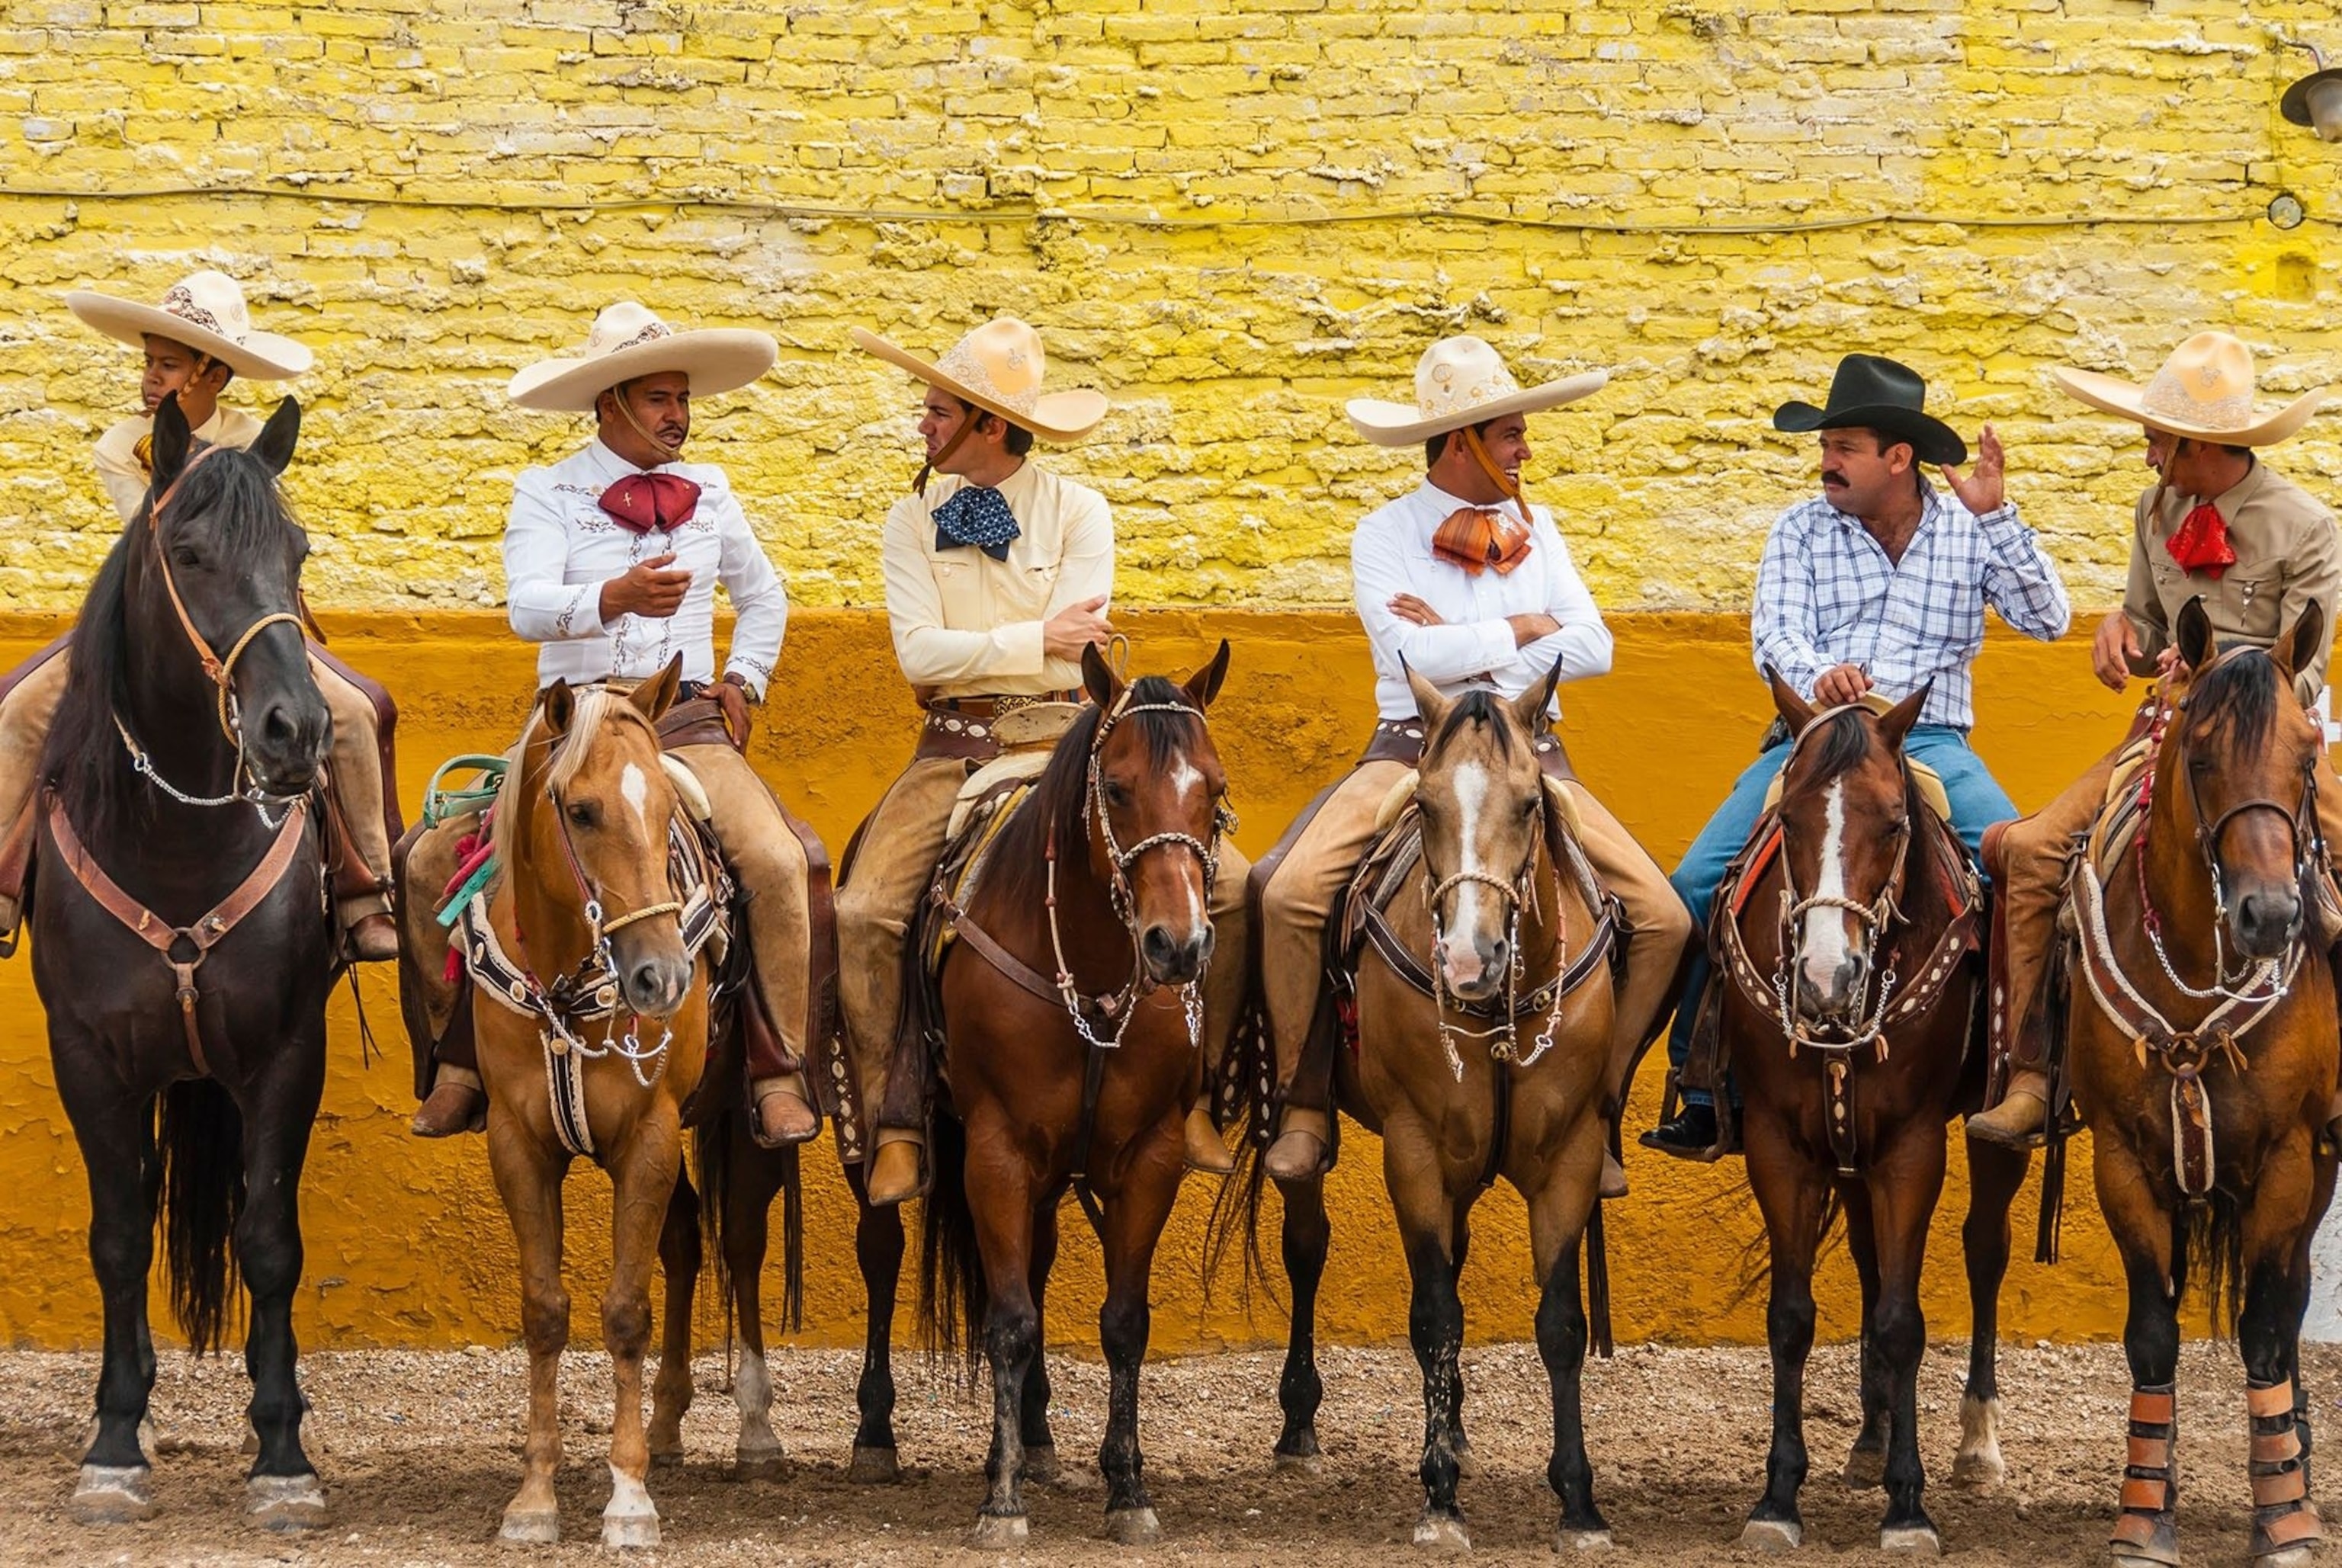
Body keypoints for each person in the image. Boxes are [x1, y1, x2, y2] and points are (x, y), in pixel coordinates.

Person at [1256, 335, 1692, 1193]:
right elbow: (1408, 655)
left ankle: (1598, 1105)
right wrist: (1526, 629)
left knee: (1667, 919)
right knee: (1286, 894)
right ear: (1461, 444)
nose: (1526, 450)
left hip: (1536, 761)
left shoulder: (1540, 526)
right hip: (1411, 754)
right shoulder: (1382, 534)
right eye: (1511, 435)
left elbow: (1593, 646)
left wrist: (1469, 647)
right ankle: (1302, 1101)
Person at [842, 316, 1251, 1206]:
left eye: (936, 411)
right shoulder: (909, 520)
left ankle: (1197, 1096)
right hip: (952, 750)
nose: (922, 424)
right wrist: (1035, 636)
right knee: (867, 909)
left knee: (1240, 888)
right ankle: (896, 1121)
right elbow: (919, 659)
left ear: (986, 425)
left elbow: (1077, 662)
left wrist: (1000, 647)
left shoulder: (1078, 511)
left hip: (1066, 744)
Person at [406, 301, 820, 1147]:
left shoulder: (714, 492)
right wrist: (611, 600)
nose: (680, 414)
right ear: (611, 404)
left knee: (780, 862)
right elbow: (524, 605)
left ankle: (778, 1067)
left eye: (682, 397)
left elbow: (765, 594)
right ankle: (458, 1062)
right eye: (660, 397)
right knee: (428, 863)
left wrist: (747, 675)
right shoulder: (547, 490)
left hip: (685, 723)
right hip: (572, 728)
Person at [1646, 353, 2071, 1156]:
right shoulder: (1800, 528)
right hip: (1814, 743)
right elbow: (1774, 635)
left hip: (1931, 742)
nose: (1826, 461)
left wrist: (1997, 517)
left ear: (1898, 458)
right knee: (1695, 886)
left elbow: (2048, 617)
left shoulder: (1967, 531)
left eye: (1844, 445)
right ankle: (1704, 1085)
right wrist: (1819, 675)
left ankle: (2023, 1073)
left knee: (2025, 868)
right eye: (1826, 444)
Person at [1969, 330, 2340, 1146]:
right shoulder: (2155, 509)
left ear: (2201, 445)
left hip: (2267, 745)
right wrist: (2119, 635)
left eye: (2155, 439)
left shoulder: (2308, 525)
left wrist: (2227, 679)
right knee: (2031, 852)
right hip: (2165, 733)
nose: (2146, 456)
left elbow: (2306, 669)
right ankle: (2033, 1074)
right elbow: (2145, 625)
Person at [0, 268, 400, 962]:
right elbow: (149, 542)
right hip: (142, 620)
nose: (151, 378)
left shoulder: (253, 440)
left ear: (211, 372)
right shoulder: (126, 442)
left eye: (169, 365)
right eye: (150, 363)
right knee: (22, 707)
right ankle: (5, 883)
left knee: (355, 713)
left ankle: (367, 888)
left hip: (244, 621)